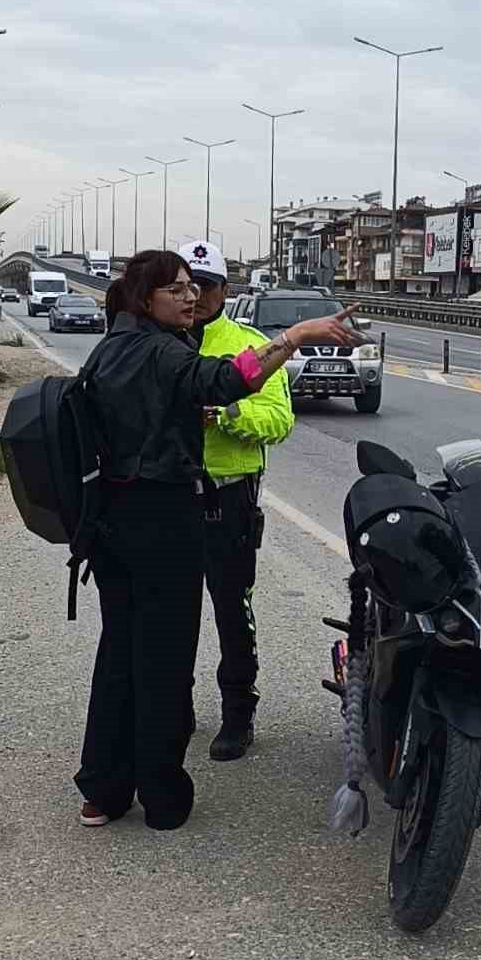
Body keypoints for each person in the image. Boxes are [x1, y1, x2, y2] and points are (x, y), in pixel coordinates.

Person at [75, 249, 359, 831]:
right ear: (145, 298)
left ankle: (102, 789)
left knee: (120, 652)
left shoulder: (112, 346)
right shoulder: (162, 352)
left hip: (110, 523)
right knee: (164, 659)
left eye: (195, 287)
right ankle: (163, 798)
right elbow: (232, 380)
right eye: (177, 289)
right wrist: (296, 336)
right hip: (163, 520)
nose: (190, 297)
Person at [178, 240, 292, 760]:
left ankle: (238, 713)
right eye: (185, 285)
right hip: (167, 500)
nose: (195, 295)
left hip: (228, 501)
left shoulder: (250, 346)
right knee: (169, 612)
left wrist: (226, 414)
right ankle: (174, 707)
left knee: (231, 610)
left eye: (206, 286)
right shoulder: (159, 342)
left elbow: (279, 420)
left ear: (225, 291)